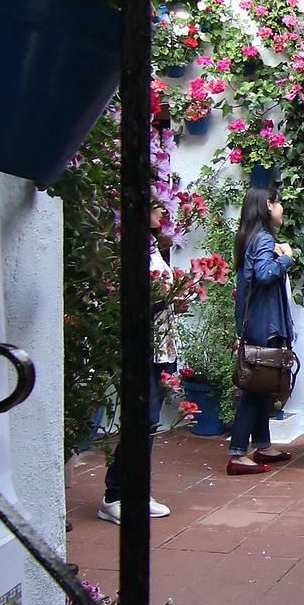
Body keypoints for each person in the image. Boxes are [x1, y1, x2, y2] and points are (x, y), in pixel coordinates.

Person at [98, 194, 179, 522]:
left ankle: (136, 490)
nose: (164, 211)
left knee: (149, 421)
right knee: (141, 419)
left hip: (160, 344)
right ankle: (114, 493)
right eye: (158, 206)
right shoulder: (128, 247)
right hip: (143, 344)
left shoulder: (150, 245)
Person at [229, 183, 298, 478]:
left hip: (258, 321)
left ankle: (262, 444)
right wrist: (286, 256)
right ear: (269, 205)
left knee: (260, 384)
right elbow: (265, 273)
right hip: (265, 323)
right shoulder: (262, 239)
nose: (282, 208)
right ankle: (237, 454)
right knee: (255, 388)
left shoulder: (252, 237)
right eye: (279, 202)